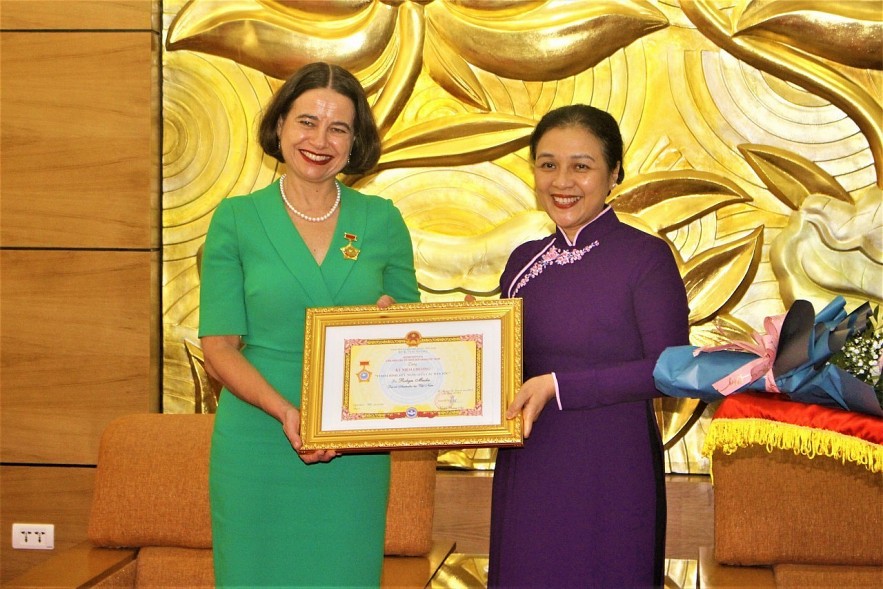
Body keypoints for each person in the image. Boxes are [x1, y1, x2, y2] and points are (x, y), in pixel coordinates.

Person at [198, 62, 419, 587]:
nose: (320, 140)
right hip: (257, 443)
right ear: (279, 126)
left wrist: (398, 330)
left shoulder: (383, 219)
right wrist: (286, 412)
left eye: (338, 127)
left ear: (354, 141)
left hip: (353, 449)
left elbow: (415, 335)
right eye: (306, 122)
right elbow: (220, 348)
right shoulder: (235, 218)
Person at [488, 105, 690, 588]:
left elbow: (671, 370)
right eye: (547, 164)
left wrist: (560, 386)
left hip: (612, 468)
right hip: (531, 466)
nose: (562, 181)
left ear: (614, 173)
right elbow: (498, 368)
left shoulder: (646, 257)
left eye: (581, 166)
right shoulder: (522, 262)